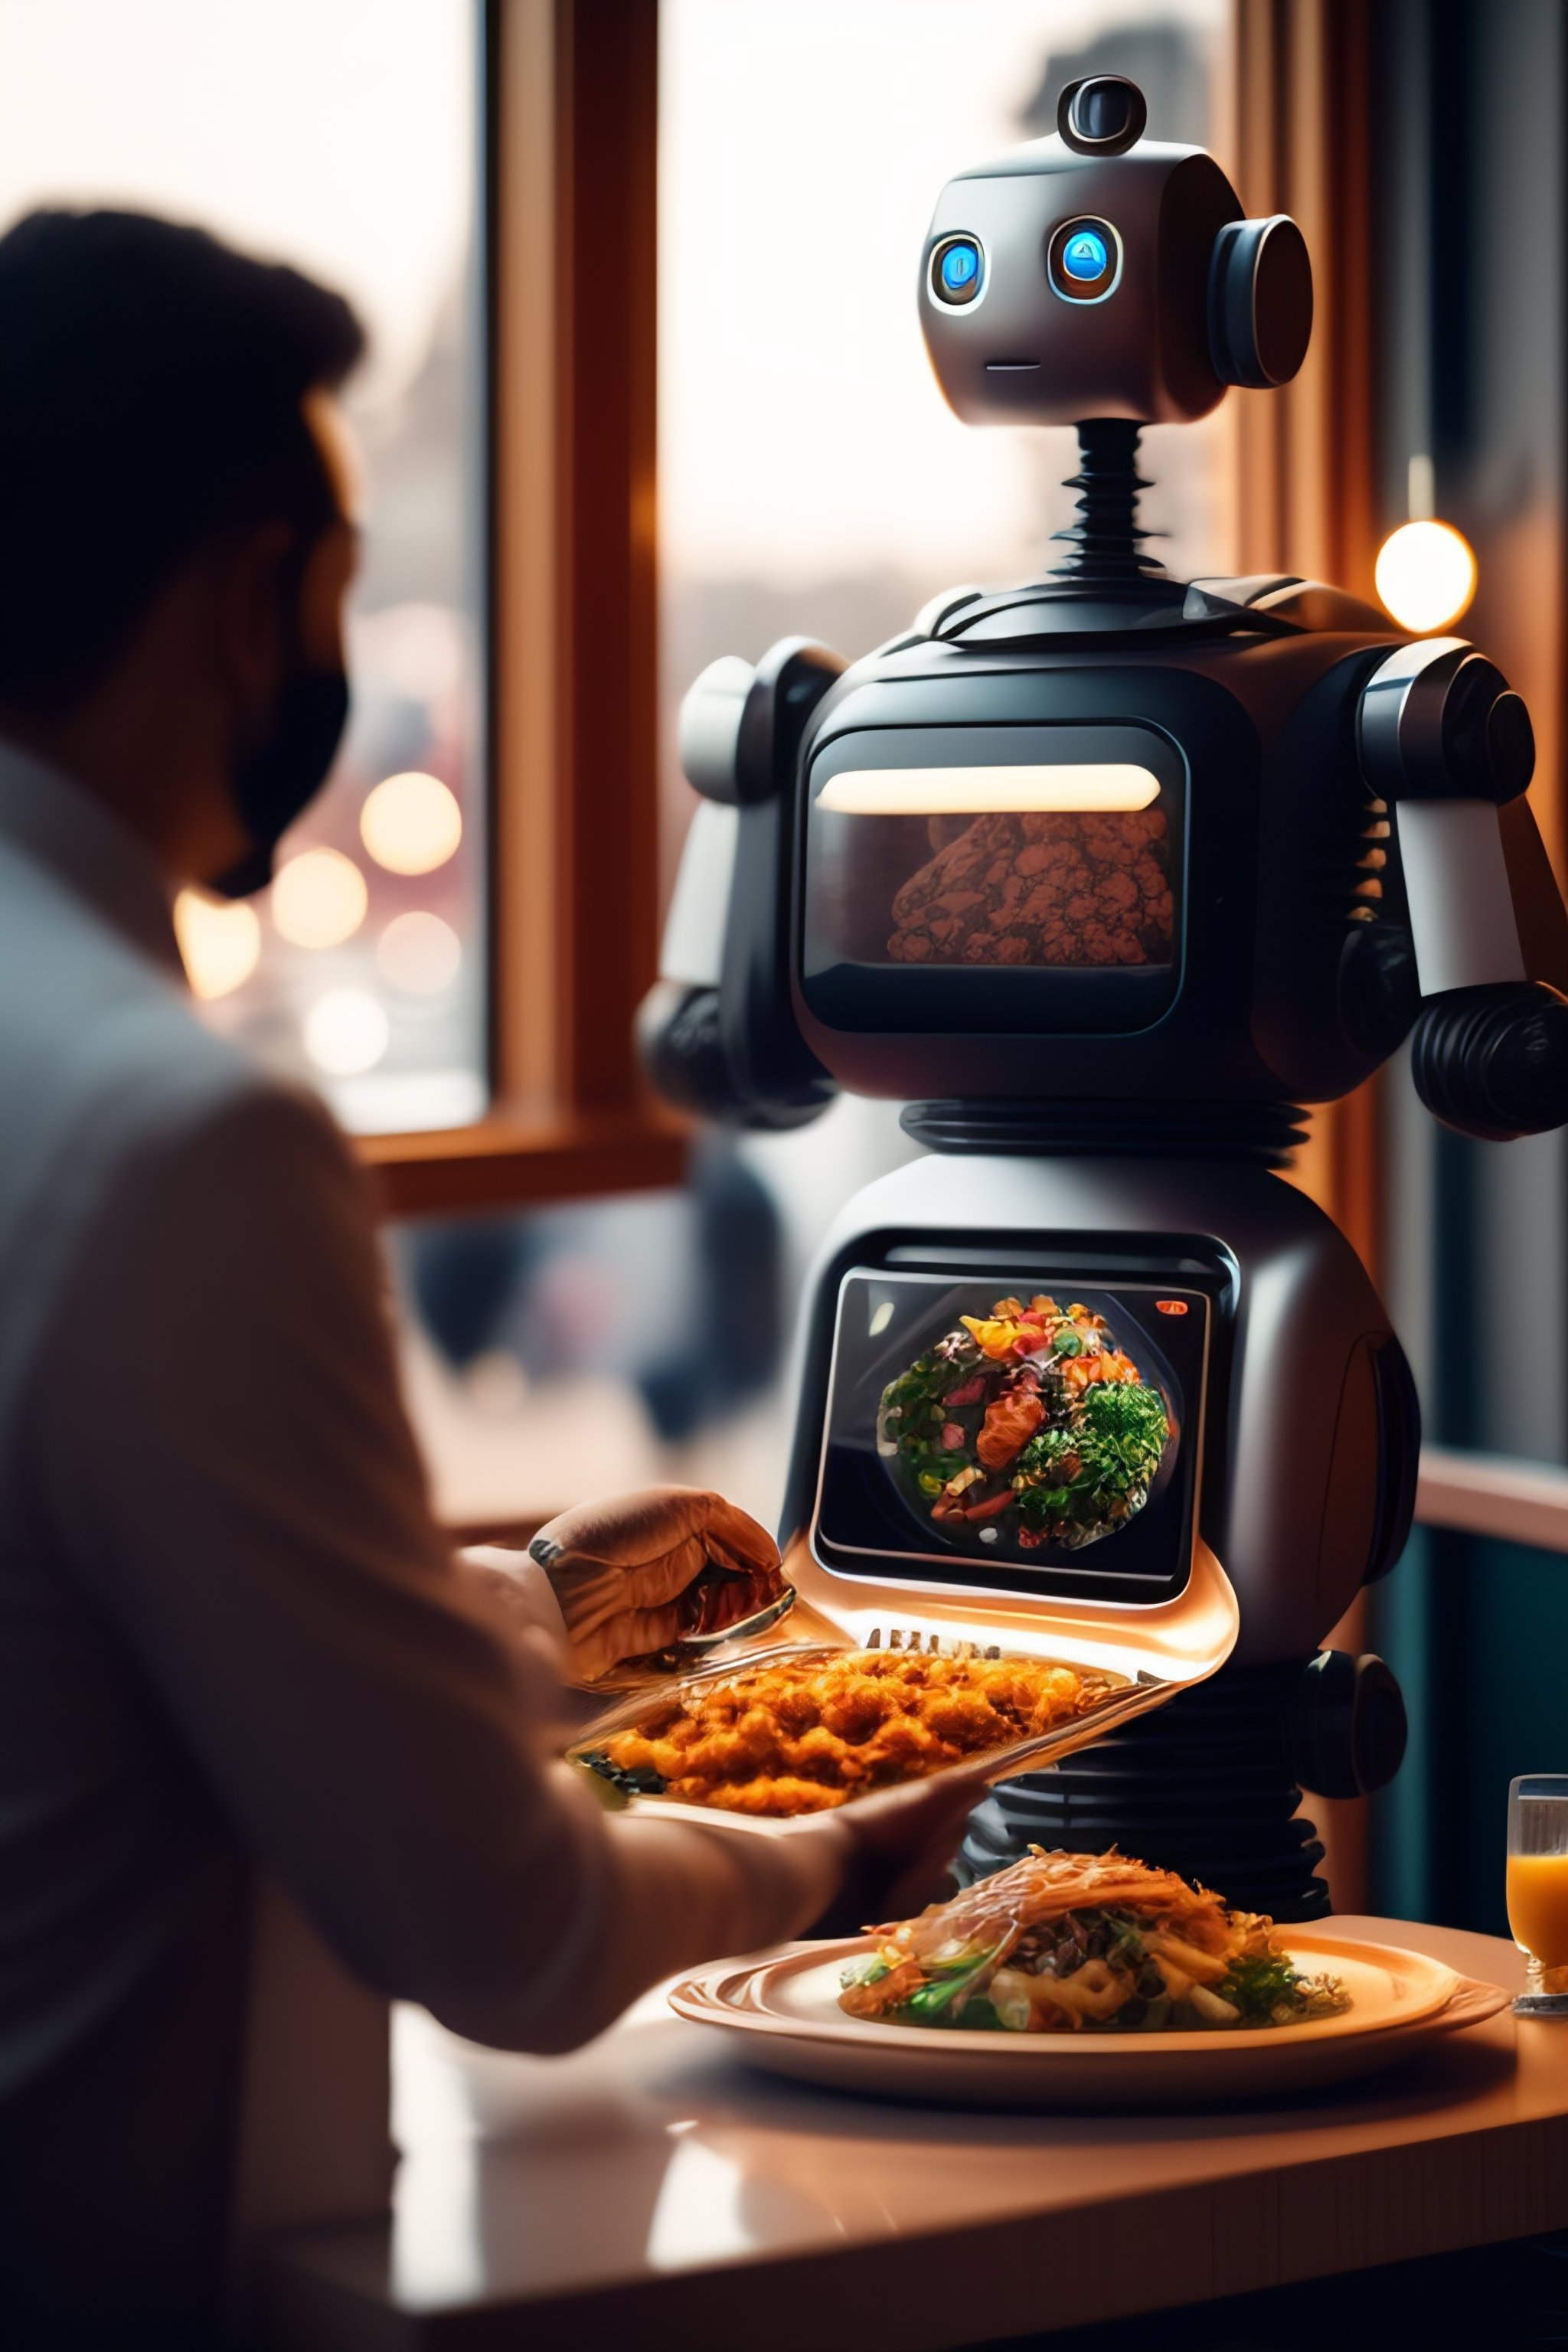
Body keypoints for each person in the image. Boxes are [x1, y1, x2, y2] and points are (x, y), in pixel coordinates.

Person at [0, 211, 970, 2349]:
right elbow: (503, 1929)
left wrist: (544, 1609)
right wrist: (848, 1847)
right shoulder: (180, 1138)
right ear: (263, 599)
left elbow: (154, 1636)